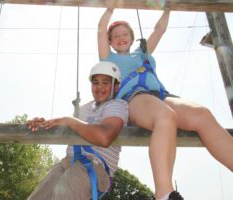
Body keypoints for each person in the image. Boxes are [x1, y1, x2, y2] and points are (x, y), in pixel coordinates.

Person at [98, 8, 233, 200]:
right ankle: (163, 193)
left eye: (125, 34)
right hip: (134, 99)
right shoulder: (109, 58)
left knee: (202, 115)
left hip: (161, 96)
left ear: (132, 37)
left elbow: (159, 29)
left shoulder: (143, 53)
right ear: (110, 41)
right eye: (116, 36)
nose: (121, 38)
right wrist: (111, 7)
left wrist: (168, 6)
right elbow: (101, 27)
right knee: (165, 116)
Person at [26, 61, 128, 200]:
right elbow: (66, 127)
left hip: (93, 166)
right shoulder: (85, 109)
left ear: (116, 87)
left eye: (105, 82)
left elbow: (104, 137)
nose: (99, 87)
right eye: (96, 83)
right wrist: (41, 124)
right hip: (67, 163)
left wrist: (68, 120)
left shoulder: (117, 105)